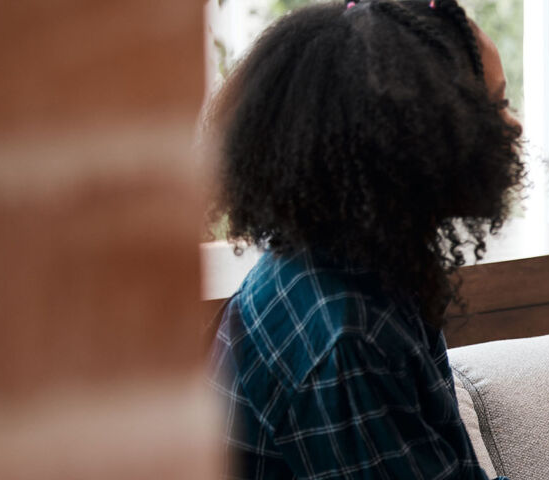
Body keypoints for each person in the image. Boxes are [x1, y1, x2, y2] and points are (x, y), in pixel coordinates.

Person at [207, 1, 523, 478]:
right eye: (496, 106)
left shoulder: (366, 269)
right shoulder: (345, 335)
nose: (513, 123)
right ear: (418, 135)